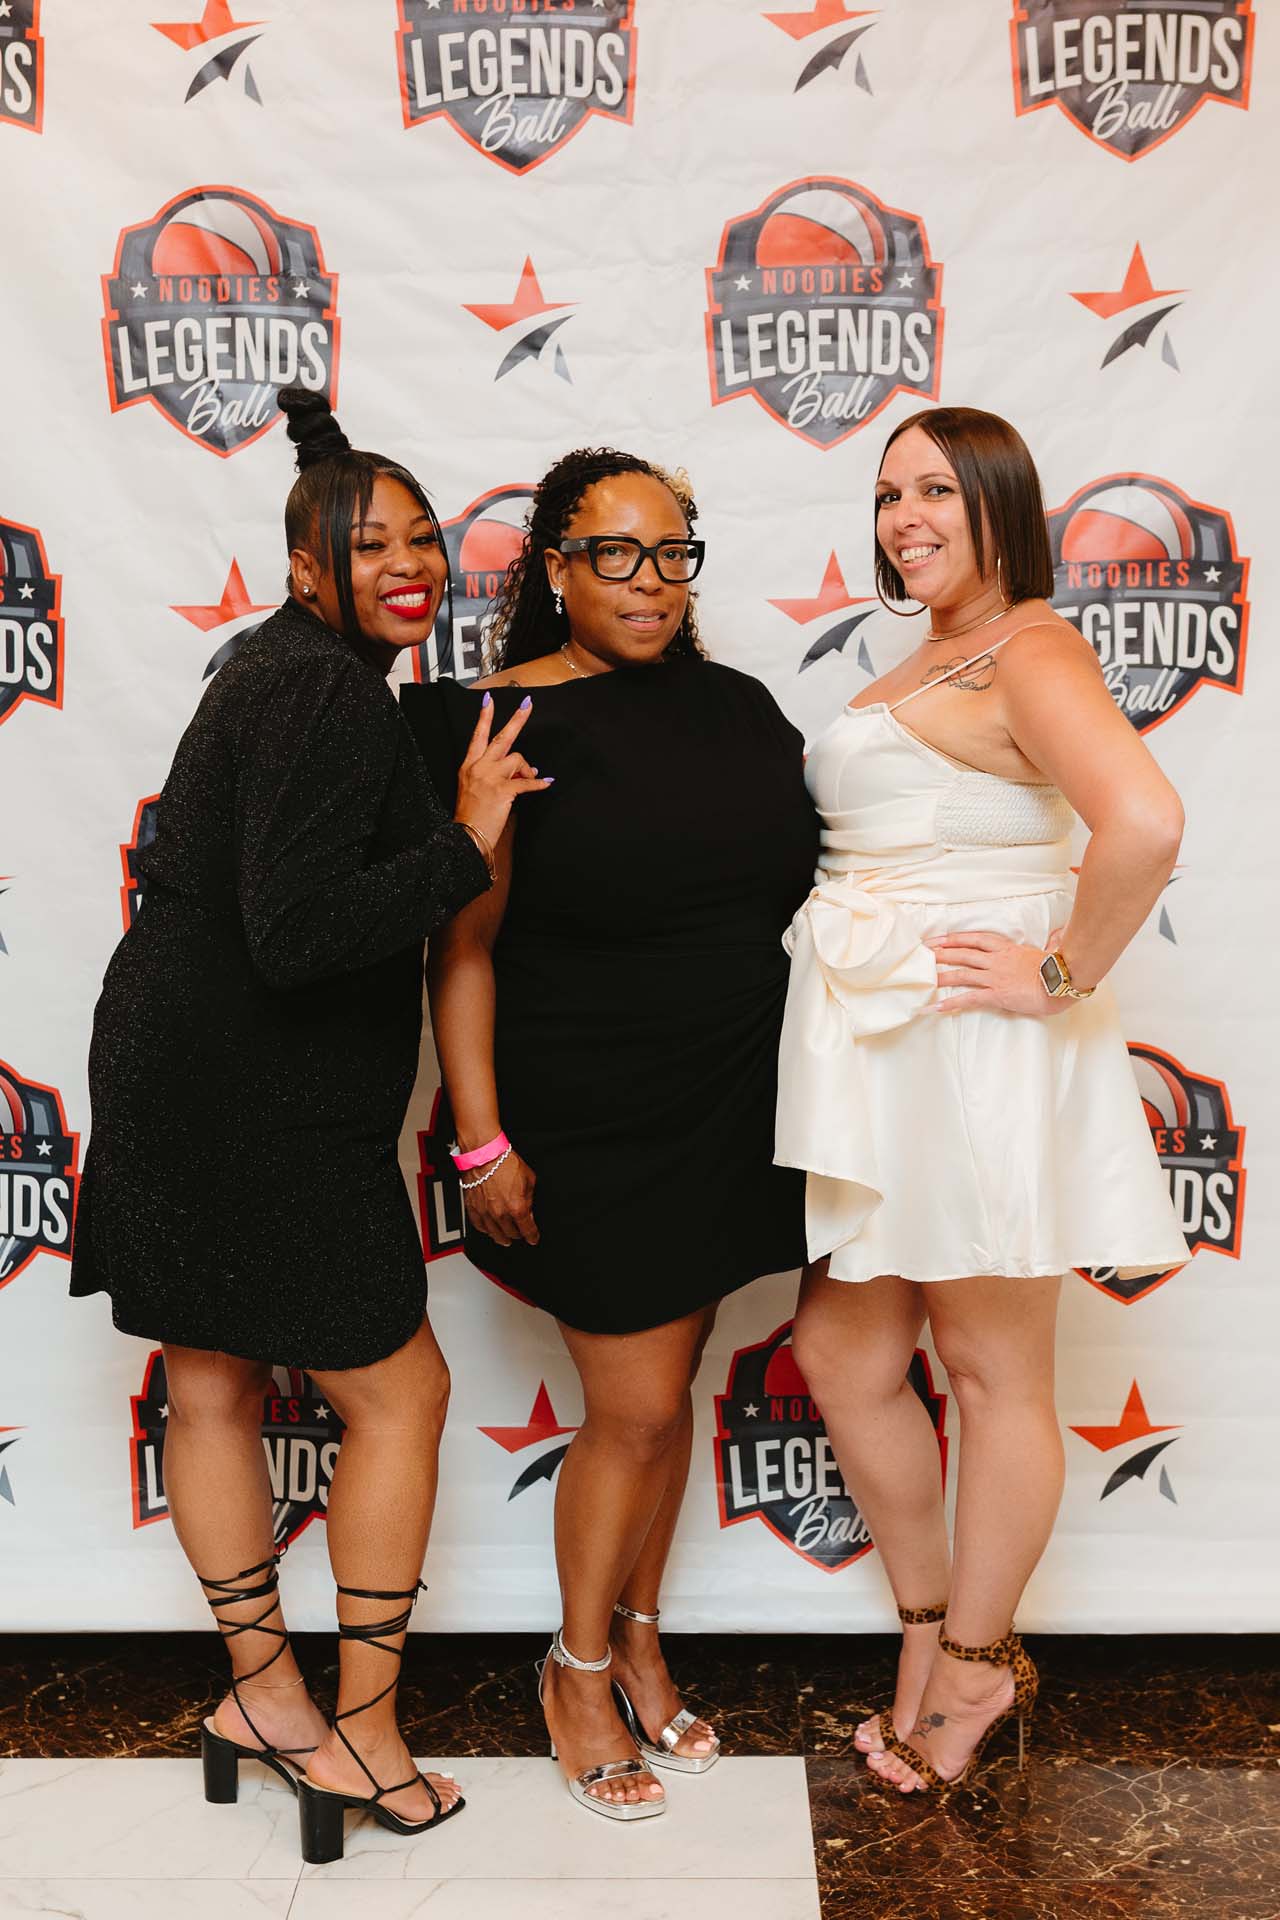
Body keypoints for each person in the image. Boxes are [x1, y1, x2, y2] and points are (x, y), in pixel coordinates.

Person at [70, 388, 548, 1862]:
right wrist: (468, 841)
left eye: (424, 539)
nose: (411, 566)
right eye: (371, 545)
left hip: (180, 1067)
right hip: (252, 1092)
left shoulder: (287, 669)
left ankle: (263, 1699)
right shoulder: (325, 690)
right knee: (397, 1393)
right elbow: (294, 933)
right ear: (303, 569)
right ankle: (363, 1734)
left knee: (212, 1380)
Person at [403, 447, 819, 1821]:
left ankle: (638, 1637)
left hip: (731, 1102)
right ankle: (575, 1671)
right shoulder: (499, 723)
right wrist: (479, 1141)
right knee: (634, 1408)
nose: (650, 581)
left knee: (669, 1387)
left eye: (671, 552)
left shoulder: (741, 708)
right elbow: (463, 948)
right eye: (614, 553)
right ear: (556, 567)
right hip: (586, 1114)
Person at [779, 406, 1188, 1798]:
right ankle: (926, 1631)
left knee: (991, 1367)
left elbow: (1145, 821)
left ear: (1001, 503)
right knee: (844, 1351)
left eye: (938, 491)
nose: (906, 518)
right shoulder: (927, 654)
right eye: (889, 493)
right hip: (885, 1045)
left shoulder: (1031, 647)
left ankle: (971, 1673)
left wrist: (1060, 972)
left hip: (971, 1047)